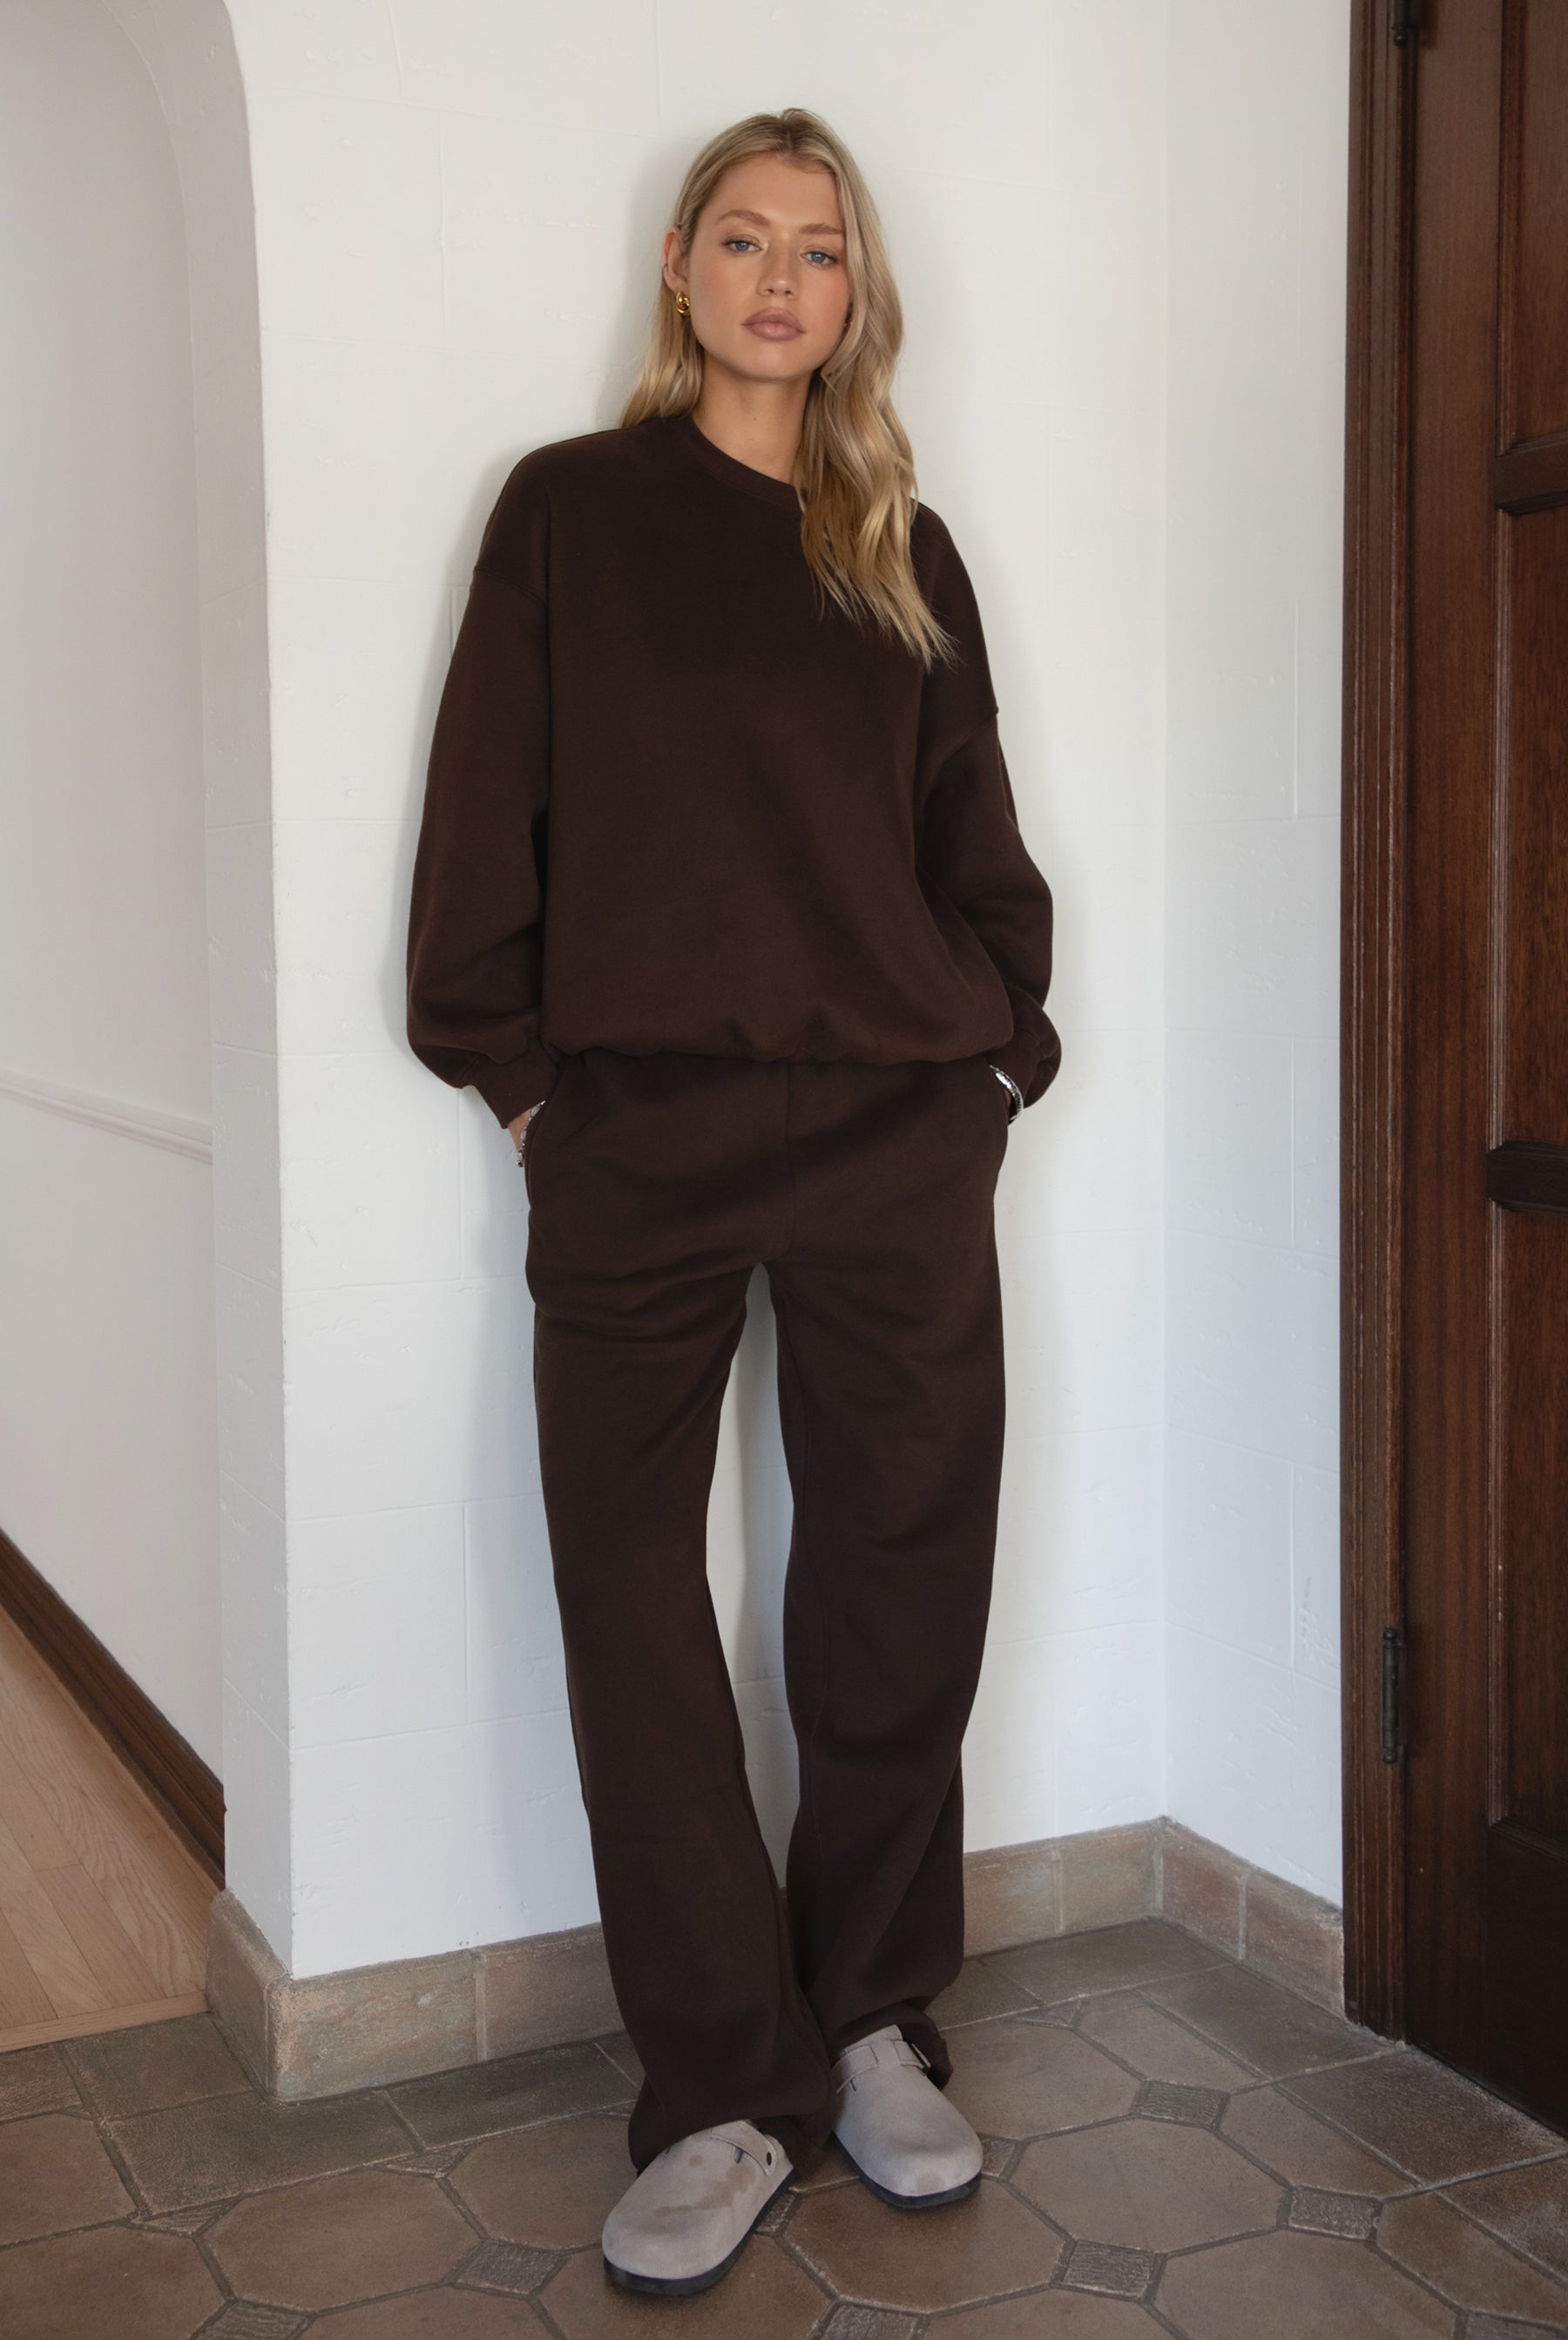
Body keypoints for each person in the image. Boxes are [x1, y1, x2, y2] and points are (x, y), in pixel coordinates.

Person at [405, 104, 1062, 2300]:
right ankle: (714, 2083)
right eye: (746, 241)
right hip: (638, 1135)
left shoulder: (906, 541)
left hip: (894, 1130)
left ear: (855, 295)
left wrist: (994, 1057)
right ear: (681, 266)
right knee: (631, 1595)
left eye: (824, 252)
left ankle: (869, 2014)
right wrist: (519, 1083)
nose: (784, 282)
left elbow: (978, 835)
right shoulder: (569, 514)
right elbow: (485, 809)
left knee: (897, 1569)